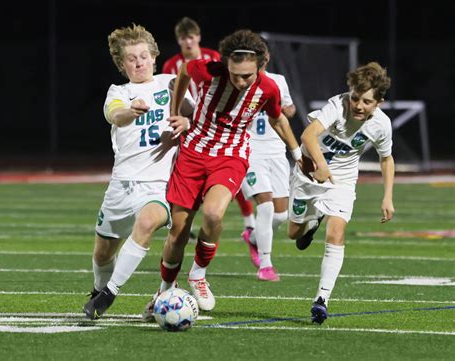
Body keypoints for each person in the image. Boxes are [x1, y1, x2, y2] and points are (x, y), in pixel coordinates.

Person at [142, 29, 302, 317]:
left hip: (231, 157)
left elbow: (278, 117)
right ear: (225, 63)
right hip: (192, 154)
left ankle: (198, 275)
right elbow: (182, 73)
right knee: (178, 232)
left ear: (260, 66)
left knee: (214, 214)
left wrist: (298, 153)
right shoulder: (207, 71)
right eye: (235, 74)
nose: (241, 81)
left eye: (247, 76)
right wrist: (177, 110)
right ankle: (164, 290)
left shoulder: (268, 88)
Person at [82, 23, 194, 320]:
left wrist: (187, 123)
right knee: (103, 253)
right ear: (122, 64)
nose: (139, 62)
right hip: (121, 184)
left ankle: (109, 294)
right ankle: (98, 289)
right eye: (131, 58)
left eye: (144, 55)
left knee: (147, 223)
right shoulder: (120, 91)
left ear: (154, 57)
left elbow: (198, 118)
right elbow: (115, 115)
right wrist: (131, 111)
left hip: (157, 184)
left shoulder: (171, 83)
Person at [287, 62, 394, 324]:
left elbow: (386, 159)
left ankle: (322, 299)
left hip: (343, 181)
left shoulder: (381, 125)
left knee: (337, 231)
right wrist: (321, 166)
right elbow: (308, 135)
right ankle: (311, 222)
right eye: (356, 98)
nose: (358, 105)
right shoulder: (338, 105)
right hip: (308, 174)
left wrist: (387, 196)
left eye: (367, 101)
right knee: (294, 234)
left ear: (379, 101)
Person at [163, 16, 256, 235]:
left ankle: (248, 217)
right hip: (187, 121)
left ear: (198, 37)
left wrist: (192, 121)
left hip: (212, 123)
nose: (188, 42)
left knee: (227, 169)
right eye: (183, 38)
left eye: (191, 37)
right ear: (178, 40)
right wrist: (177, 115)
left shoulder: (212, 58)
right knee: (175, 168)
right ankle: (176, 219)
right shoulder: (171, 65)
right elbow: (171, 90)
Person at [240, 42, 296, 281]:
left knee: (281, 215)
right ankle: (266, 264)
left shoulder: (277, 80)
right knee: (265, 205)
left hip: (276, 149)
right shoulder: (240, 80)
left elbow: (289, 109)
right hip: (250, 151)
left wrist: (285, 109)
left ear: (267, 57)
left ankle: (252, 237)